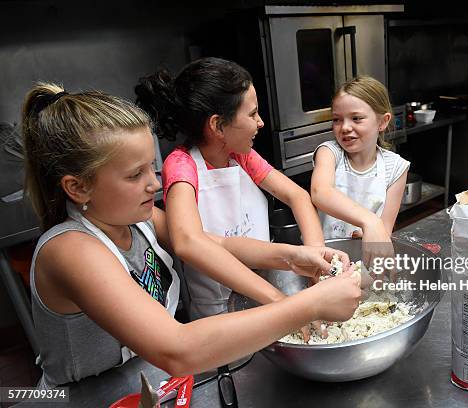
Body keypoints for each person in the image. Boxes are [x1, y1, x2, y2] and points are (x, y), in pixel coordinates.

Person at [23, 83, 361, 389]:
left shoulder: (138, 220)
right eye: (135, 175)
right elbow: (177, 349)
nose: (154, 184)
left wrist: (293, 257)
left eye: (150, 167)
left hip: (147, 386)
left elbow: (217, 243)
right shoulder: (71, 250)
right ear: (78, 187)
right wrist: (308, 305)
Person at [135, 58, 325, 319]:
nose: (260, 123)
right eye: (252, 114)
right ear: (217, 125)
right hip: (219, 309)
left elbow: (297, 196)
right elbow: (188, 242)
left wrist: (317, 259)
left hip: (263, 289)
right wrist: (280, 300)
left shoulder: (242, 156)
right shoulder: (181, 166)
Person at [310, 75, 409, 266]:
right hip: (326, 258)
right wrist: (370, 221)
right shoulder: (329, 153)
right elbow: (320, 192)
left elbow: (385, 228)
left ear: (382, 122)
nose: (345, 127)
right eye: (337, 120)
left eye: (356, 118)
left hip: (366, 258)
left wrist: (372, 231)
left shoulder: (395, 167)